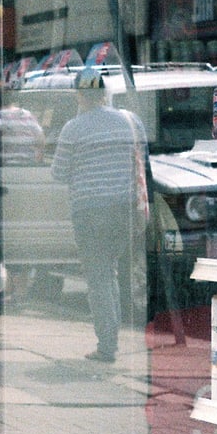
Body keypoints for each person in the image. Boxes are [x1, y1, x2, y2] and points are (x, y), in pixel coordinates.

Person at [50, 81, 149, 363]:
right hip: (125, 210)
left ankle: (107, 346)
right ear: (104, 95)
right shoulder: (132, 122)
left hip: (90, 212)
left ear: (79, 96)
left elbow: (58, 172)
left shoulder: (73, 129)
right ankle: (114, 339)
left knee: (100, 277)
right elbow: (143, 161)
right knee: (114, 271)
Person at [0, 84, 45, 311]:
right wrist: (35, 161)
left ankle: (18, 290)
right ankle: (15, 288)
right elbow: (41, 140)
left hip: (7, 185)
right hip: (28, 182)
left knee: (6, 238)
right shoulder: (28, 116)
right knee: (23, 235)